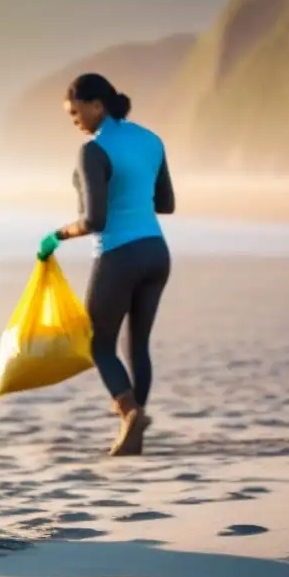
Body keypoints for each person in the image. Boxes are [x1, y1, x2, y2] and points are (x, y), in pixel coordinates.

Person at [36, 73, 175, 457]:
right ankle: (135, 433)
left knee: (97, 344)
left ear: (97, 104)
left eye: (76, 113)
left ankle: (130, 413)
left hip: (119, 255)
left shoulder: (93, 150)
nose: (75, 121)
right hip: (156, 253)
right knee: (138, 346)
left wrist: (57, 236)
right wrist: (132, 196)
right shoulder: (151, 140)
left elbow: (94, 221)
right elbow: (165, 204)